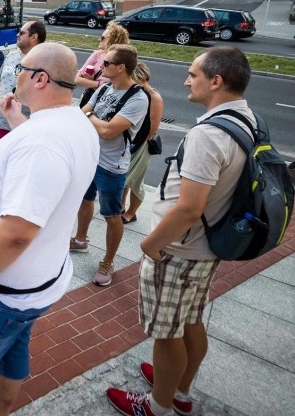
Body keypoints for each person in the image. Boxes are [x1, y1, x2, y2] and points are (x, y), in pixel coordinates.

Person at [0, 42, 98, 416]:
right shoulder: (73, 123)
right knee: (12, 350)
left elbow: (17, 231)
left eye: (21, 70)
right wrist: (16, 121)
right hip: (33, 285)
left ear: (40, 79)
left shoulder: (44, 143)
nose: (14, 75)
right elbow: (48, 160)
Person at [106, 47, 254, 416]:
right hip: (208, 246)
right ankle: (180, 390)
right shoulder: (246, 117)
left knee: (167, 334)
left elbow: (190, 207)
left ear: (216, 81)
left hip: (181, 250)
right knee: (190, 319)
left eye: (193, 74)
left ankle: (159, 405)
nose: (186, 80)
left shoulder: (208, 134)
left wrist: (151, 245)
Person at [70, 44, 149, 287]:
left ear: (121, 67)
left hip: (112, 165)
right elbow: (80, 113)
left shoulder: (138, 98)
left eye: (106, 63)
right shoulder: (104, 88)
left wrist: (88, 117)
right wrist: (88, 116)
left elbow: (107, 130)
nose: (100, 66)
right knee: (85, 200)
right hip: (90, 157)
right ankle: (81, 239)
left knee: (112, 215)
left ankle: (108, 260)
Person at [0, 20, 47, 143]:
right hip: (0, 123)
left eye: (21, 33)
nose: (17, 35)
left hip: (23, 126)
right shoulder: (11, 55)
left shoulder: (43, 62)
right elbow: (1, 84)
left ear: (34, 37)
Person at [120, 62, 164, 224]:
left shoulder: (153, 96)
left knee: (136, 182)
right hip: (130, 142)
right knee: (125, 178)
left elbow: (153, 129)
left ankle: (132, 213)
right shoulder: (136, 92)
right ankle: (121, 206)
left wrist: (137, 144)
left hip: (143, 145)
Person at [75, 22, 130, 103]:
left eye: (102, 38)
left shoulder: (122, 60)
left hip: (108, 101)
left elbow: (119, 87)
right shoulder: (97, 54)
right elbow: (77, 79)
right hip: (91, 97)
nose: (99, 40)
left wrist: (91, 83)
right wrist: (99, 84)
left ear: (113, 39)